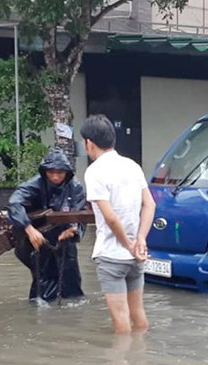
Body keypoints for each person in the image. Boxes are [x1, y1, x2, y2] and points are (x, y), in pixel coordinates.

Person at [81, 114, 156, 334]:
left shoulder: (94, 172)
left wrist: (127, 244)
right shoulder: (132, 166)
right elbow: (149, 204)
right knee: (138, 314)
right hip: (136, 255)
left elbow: (110, 217)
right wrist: (140, 240)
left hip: (113, 256)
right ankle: (141, 359)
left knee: (121, 320)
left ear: (89, 143)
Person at [7, 148, 87, 302]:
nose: (55, 176)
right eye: (51, 172)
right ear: (45, 172)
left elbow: (81, 214)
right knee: (43, 283)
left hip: (65, 240)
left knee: (71, 286)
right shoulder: (35, 184)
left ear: (67, 173)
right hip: (38, 240)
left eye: (60, 172)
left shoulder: (75, 187)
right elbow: (14, 203)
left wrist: (75, 230)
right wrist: (28, 228)